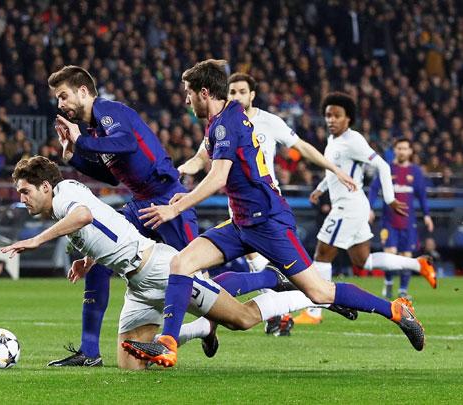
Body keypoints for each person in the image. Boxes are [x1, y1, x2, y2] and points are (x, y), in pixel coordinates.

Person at [121, 60, 426, 368]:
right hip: (242, 222)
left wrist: (175, 207)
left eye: (188, 93)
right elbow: (205, 160)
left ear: (203, 92)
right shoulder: (221, 120)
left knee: (319, 291)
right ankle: (168, 344)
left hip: (268, 222)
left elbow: (218, 177)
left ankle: (396, 309)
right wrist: (179, 177)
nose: (185, 100)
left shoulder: (227, 124)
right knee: (181, 263)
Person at [1, 156, 345, 369]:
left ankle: (307, 293)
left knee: (241, 319)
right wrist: (89, 260)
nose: (22, 199)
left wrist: (35, 240)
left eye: (25, 191)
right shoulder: (65, 195)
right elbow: (105, 224)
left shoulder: (65, 198)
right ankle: (201, 328)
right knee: (130, 366)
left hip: (158, 268)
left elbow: (86, 215)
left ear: (46, 186)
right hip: (136, 284)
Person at [48, 65, 283, 366]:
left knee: (197, 281)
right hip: (140, 204)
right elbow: (109, 176)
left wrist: (81, 140)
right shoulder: (95, 129)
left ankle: (268, 278)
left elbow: (126, 143)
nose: (61, 105)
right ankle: (89, 352)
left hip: (167, 199)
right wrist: (73, 154)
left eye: (63, 96)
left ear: (83, 92)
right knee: (98, 263)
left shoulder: (108, 111)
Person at [178, 72, 357, 335]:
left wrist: (335, 170)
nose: (236, 96)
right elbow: (200, 158)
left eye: (241, 92)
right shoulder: (220, 124)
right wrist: (180, 171)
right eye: (232, 92)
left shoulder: (268, 122)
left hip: (266, 207)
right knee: (255, 267)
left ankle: (306, 300)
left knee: (267, 272)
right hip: (238, 208)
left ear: (252, 95)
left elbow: (303, 147)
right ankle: (286, 310)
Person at [300, 93, 437, 324]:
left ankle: (314, 312)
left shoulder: (353, 140)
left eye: (337, 115)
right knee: (363, 261)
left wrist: (390, 199)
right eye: (328, 115)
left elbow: (383, 165)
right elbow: (336, 169)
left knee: (322, 254)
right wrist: (321, 188)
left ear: (348, 119)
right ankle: (418, 264)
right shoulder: (334, 140)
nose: (331, 120)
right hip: (352, 205)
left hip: (348, 206)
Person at [369, 138, 433, 300]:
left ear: (410, 151)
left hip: (408, 222)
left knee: (406, 257)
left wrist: (427, 216)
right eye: (399, 148)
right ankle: (389, 282)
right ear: (395, 150)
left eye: (405, 148)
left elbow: (422, 196)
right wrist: (369, 208)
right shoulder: (386, 169)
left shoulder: (416, 172)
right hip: (389, 221)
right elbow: (374, 189)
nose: (402, 151)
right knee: (390, 253)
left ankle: (403, 290)